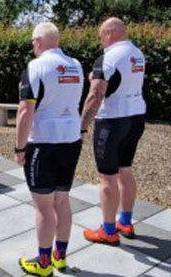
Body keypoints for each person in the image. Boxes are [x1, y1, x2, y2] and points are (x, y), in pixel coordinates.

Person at [15, 22, 84, 276]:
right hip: (71, 140)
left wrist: (19, 147)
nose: (33, 46)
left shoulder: (36, 67)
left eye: (33, 42)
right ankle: (59, 257)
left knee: (43, 206)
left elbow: (25, 111)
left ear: (39, 41)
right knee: (62, 200)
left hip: (43, 142)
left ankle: (43, 265)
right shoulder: (76, 65)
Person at [81, 17, 146, 246]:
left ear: (108, 33)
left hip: (112, 121)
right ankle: (125, 221)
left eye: (101, 37)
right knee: (125, 169)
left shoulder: (107, 57)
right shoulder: (137, 54)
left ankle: (108, 231)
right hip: (136, 117)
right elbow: (122, 80)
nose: (102, 42)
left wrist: (82, 126)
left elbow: (96, 94)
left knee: (107, 176)